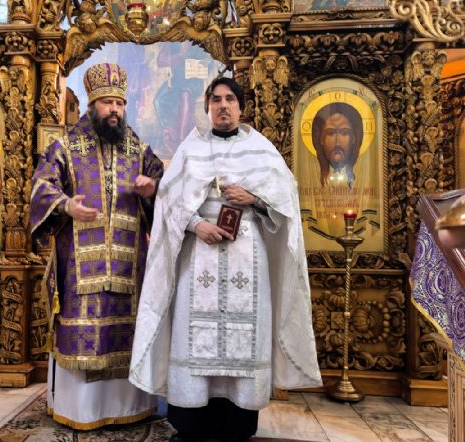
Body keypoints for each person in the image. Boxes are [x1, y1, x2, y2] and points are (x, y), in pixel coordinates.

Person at [129, 77, 322, 442]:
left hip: (248, 257)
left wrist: (255, 199)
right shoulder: (190, 150)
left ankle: (237, 424)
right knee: (193, 334)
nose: (222, 105)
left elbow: (286, 201)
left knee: (245, 337)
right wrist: (196, 224)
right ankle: (190, 424)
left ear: (240, 106)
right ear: (207, 107)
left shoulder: (262, 150)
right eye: (215, 99)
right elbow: (169, 203)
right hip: (198, 256)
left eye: (229, 99)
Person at [30, 63, 164, 430]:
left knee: (126, 333)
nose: (114, 110)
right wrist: (66, 205)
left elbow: (163, 184)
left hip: (127, 268)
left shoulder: (138, 148)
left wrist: (152, 190)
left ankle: (129, 406)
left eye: (119, 103)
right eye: (107, 103)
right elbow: (41, 188)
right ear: (92, 105)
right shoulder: (66, 146)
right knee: (82, 334)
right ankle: (81, 411)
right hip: (79, 269)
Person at [312, 102, 363, 189]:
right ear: (321, 138)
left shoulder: (363, 177)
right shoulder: (310, 176)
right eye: (330, 133)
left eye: (344, 133)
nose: (337, 143)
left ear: (354, 138)